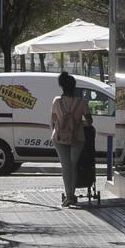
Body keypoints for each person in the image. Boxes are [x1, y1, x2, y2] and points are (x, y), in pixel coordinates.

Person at [50, 71, 91, 208]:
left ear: (62, 86)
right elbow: (89, 121)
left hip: (59, 137)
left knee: (65, 166)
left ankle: (69, 196)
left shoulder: (57, 101)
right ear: (74, 87)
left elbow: (53, 120)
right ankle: (72, 194)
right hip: (77, 137)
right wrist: (79, 122)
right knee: (73, 165)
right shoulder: (82, 102)